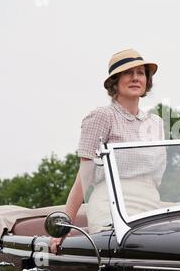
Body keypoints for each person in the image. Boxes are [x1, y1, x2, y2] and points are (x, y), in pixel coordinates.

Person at [50, 49, 165, 253]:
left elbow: (158, 177)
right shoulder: (102, 116)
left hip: (150, 205)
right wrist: (64, 225)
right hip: (111, 207)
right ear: (115, 81)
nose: (135, 78)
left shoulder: (156, 123)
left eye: (140, 72)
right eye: (128, 73)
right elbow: (84, 176)